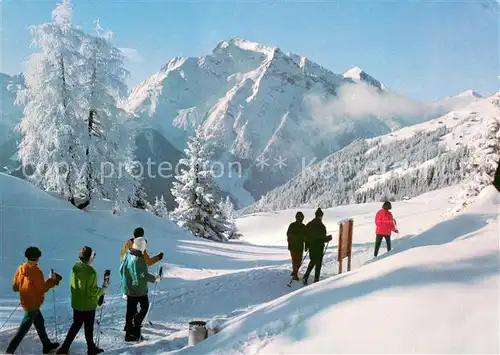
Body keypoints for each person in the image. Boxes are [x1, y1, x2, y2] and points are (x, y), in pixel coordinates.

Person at [6, 247, 62, 354]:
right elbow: (42, 289)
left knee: (39, 322)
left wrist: (25, 288)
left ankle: (47, 345)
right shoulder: (36, 272)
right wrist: (52, 280)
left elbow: (15, 287)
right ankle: (9, 351)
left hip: (26, 301)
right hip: (33, 304)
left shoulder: (20, 268)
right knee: (23, 330)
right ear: (37, 258)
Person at [56, 247, 107, 355]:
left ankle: (64, 348)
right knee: (89, 328)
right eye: (92, 256)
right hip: (88, 305)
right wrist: (102, 291)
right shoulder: (91, 272)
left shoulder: (75, 267)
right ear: (89, 258)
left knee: (76, 325)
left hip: (77, 302)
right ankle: (91, 349)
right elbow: (91, 291)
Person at [120, 237, 160, 342]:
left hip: (129, 288)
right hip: (139, 290)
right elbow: (143, 275)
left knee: (131, 311)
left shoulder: (128, 254)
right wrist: (155, 278)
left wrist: (126, 282)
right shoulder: (139, 260)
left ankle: (130, 335)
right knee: (144, 307)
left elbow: (122, 269)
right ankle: (136, 325)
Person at [303, 208, 332, 285]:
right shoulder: (321, 226)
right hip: (319, 247)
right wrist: (328, 238)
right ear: (321, 216)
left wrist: (307, 245)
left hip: (312, 247)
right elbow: (322, 237)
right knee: (318, 263)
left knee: (312, 261)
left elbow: (305, 235)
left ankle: (305, 277)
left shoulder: (309, 224)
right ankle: (316, 280)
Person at [287, 211, 307, 281]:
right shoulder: (292, 225)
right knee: (295, 261)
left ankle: (294, 272)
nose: (300, 218)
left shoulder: (303, 226)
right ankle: (295, 275)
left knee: (298, 261)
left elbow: (305, 237)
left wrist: (306, 244)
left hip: (299, 247)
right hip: (294, 246)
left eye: (301, 217)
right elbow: (288, 234)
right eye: (299, 217)